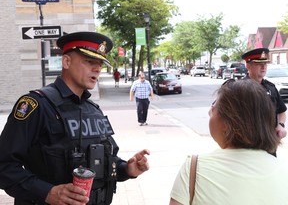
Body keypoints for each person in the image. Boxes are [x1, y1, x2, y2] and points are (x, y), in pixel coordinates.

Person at [0, 31, 150, 205]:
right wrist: (47, 192)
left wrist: (127, 169)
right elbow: (4, 166)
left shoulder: (94, 110)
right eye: (89, 61)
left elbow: (105, 159)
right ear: (66, 61)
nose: (97, 69)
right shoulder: (36, 105)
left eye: (100, 63)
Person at [169, 79, 288, 205]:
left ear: (227, 122)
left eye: (214, 107)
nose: (210, 112)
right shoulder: (283, 171)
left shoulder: (194, 169)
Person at [242, 48, 287, 140]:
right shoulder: (237, 88)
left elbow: (281, 111)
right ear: (248, 65)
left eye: (265, 63)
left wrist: (281, 125)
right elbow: (215, 111)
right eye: (259, 63)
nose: (263, 67)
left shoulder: (271, 88)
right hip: (246, 142)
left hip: (269, 141)